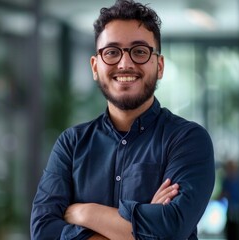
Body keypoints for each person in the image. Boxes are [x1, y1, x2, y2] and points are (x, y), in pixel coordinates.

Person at [30, 0, 215, 239]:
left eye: (139, 51)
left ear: (159, 66)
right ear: (95, 66)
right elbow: (42, 232)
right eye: (112, 52)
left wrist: (84, 213)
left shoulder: (188, 140)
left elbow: (171, 229)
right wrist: (144, 225)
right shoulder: (71, 144)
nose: (125, 64)